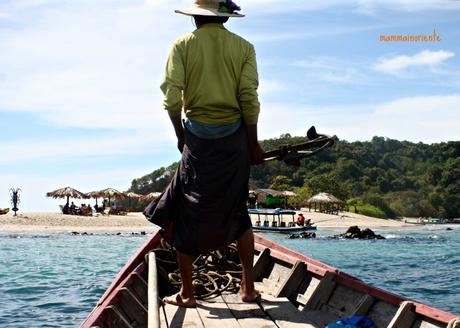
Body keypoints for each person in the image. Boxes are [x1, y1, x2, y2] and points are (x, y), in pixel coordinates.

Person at [144, 0, 263, 308]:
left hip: (197, 139)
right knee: (237, 209)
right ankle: (247, 289)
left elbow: (172, 98)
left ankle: (187, 293)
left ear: (196, 16)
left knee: (186, 210)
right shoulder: (244, 48)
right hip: (235, 139)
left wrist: (180, 135)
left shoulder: (182, 45)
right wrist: (253, 144)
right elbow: (248, 98)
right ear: (225, 18)